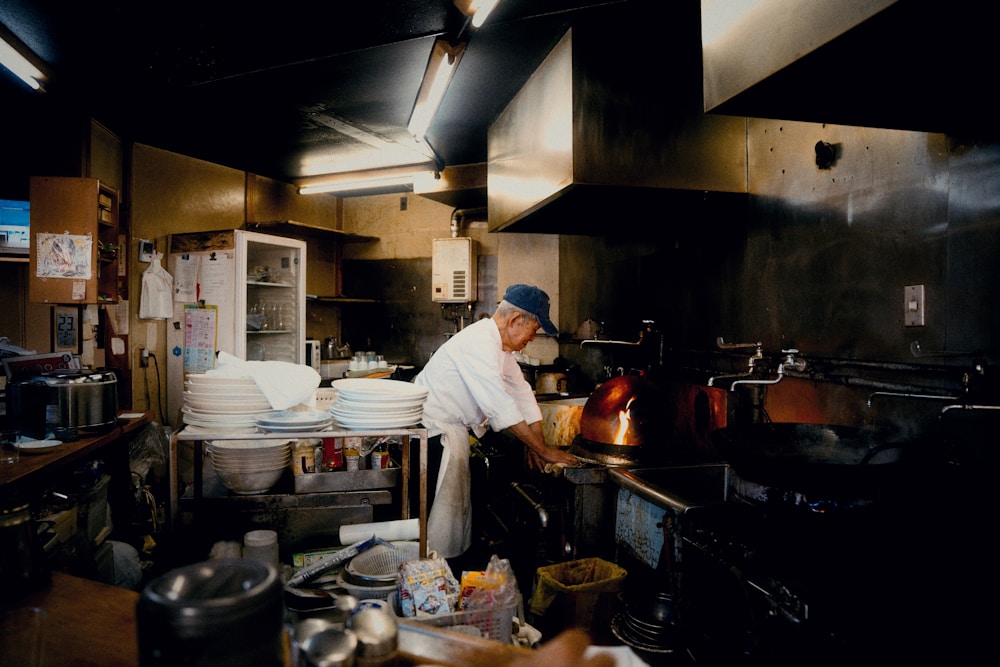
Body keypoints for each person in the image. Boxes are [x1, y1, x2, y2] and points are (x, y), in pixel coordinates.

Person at [413, 284, 580, 558]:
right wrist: (544, 451)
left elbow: (522, 394)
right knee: (436, 521)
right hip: (432, 436)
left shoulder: (501, 350)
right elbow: (499, 406)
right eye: (534, 329)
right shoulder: (479, 343)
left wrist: (537, 445)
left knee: (451, 520)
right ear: (515, 320)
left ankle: (444, 569)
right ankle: (430, 572)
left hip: (450, 434)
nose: (532, 338)